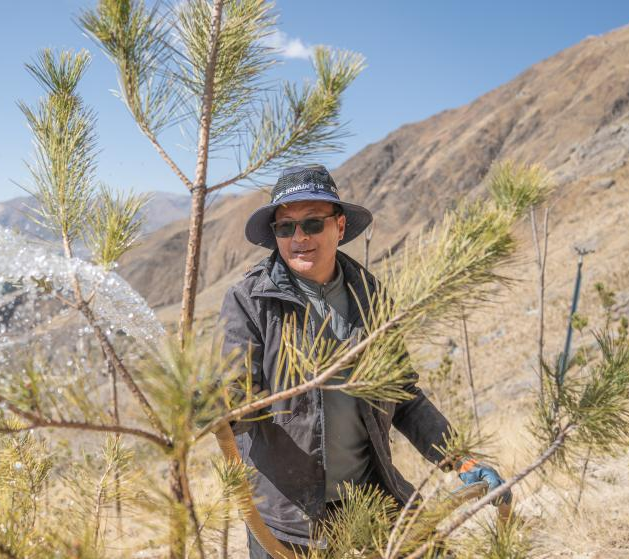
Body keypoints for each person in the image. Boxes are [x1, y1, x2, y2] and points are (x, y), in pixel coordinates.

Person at [217, 164, 510, 557]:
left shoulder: (369, 295)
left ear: (339, 226)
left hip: (373, 499)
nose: (299, 237)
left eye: (312, 223)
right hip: (288, 521)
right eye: (285, 227)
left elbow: (403, 395)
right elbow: (237, 395)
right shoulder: (250, 301)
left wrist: (459, 459)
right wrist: (216, 403)